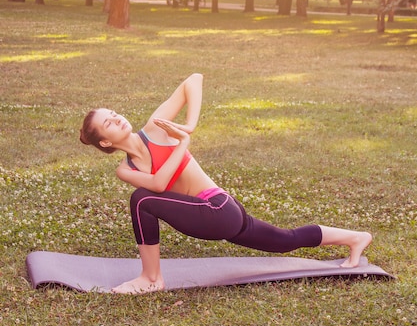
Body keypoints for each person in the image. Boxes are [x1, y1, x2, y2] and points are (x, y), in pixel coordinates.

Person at [80, 73, 372, 294]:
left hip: (219, 208)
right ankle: (355, 238)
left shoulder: (156, 127)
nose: (116, 118)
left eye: (114, 113)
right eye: (108, 122)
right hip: (214, 215)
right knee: (285, 240)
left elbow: (193, 80)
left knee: (140, 200)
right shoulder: (125, 169)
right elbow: (158, 183)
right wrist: (183, 142)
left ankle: (151, 279)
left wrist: (189, 126)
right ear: (105, 142)